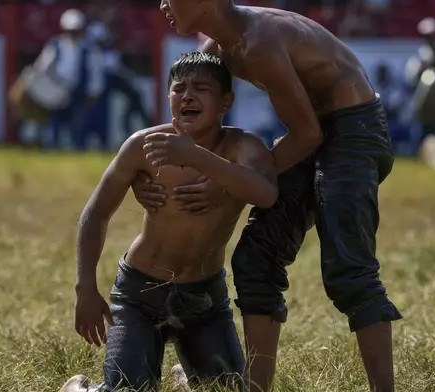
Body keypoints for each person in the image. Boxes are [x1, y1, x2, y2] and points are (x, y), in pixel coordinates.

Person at [132, 1, 402, 391]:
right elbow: (185, 134)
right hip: (312, 132)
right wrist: (146, 176)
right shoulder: (216, 50)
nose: (162, 4)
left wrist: (225, 181)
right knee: (255, 260)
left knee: (349, 267)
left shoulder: (258, 42)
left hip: (354, 129)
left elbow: (309, 134)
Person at [60, 51, 278, 392]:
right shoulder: (143, 145)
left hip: (205, 299)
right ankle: (77, 388)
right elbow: (96, 212)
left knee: (226, 389)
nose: (188, 95)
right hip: (140, 294)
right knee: (130, 390)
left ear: (225, 101)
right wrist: (84, 287)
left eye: (201, 88)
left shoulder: (243, 147)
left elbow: (266, 194)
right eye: (179, 88)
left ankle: (185, 375)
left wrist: (197, 158)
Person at [35, 9, 104, 150]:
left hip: (77, 91)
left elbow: (95, 72)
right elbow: (43, 66)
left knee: (78, 122)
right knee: (54, 121)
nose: (72, 33)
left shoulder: (89, 48)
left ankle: (77, 148)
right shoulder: (55, 45)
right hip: (56, 90)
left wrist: (93, 92)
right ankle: (52, 147)